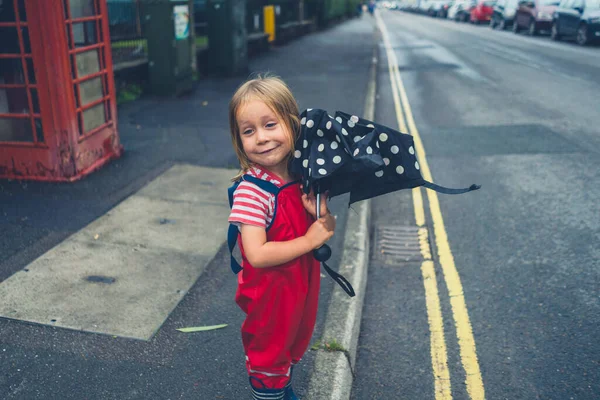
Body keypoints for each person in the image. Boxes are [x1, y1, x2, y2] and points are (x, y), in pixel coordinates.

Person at [227, 75, 336, 399]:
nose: (261, 138)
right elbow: (257, 254)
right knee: (270, 353)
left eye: (270, 125)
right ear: (239, 139)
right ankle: (271, 393)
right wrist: (309, 240)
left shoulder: (302, 177)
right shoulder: (253, 192)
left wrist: (320, 215)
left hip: (297, 285)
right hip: (270, 294)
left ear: (292, 125)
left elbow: (324, 228)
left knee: (292, 340)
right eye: (249, 131)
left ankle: (282, 387)